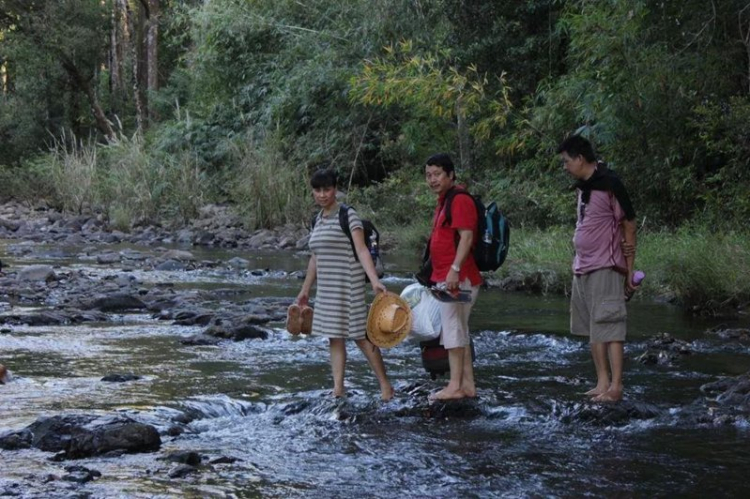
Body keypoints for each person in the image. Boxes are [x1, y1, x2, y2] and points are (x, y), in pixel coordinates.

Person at [295, 169, 394, 401]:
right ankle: (338, 389)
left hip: (348, 284)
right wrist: (305, 290)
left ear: (335, 189)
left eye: (326, 189)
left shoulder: (348, 215)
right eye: (317, 190)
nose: (322, 195)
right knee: (334, 336)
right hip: (328, 288)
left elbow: (361, 250)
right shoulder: (316, 220)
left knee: (361, 335)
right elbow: (315, 257)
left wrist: (375, 281)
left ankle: (385, 386)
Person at [558, 135, 639, 402]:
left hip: (606, 264)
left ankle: (616, 387)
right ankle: (601, 381)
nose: (565, 167)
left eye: (567, 161)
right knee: (594, 326)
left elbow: (629, 224)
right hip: (583, 265)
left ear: (580, 159)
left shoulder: (610, 184)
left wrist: (629, 270)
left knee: (611, 325)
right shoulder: (584, 186)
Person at [424, 153, 482, 400]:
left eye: (437, 174)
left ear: (450, 175)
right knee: (458, 328)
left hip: (458, 277)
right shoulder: (445, 200)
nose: (432, 180)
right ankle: (467, 385)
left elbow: (466, 237)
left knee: (452, 330)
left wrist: (454, 270)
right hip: (448, 276)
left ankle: (455, 385)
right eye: (428, 175)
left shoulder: (459, 200)